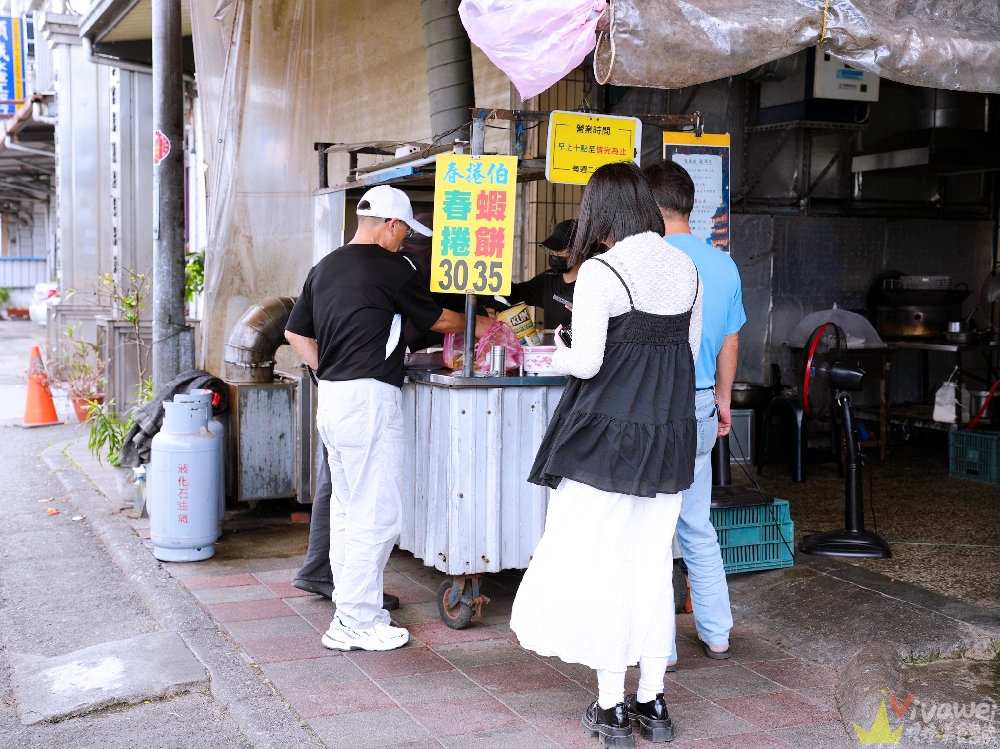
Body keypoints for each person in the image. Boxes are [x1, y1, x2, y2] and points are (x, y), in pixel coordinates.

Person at [511, 162, 703, 747]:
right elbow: (687, 353)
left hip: (609, 442)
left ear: (601, 212)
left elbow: (589, 363)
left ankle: (611, 707)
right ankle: (653, 702)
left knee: (600, 565)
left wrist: (553, 352)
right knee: (650, 565)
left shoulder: (602, 270)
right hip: (669, 437)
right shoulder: (686, 265)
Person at [285, 184, 491, 652]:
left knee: (347, 511)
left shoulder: (326, 266)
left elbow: (295, 332)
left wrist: (329, 369)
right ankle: (355, 621)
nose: (404, 242)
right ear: (392, 225)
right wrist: (480, 321)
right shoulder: (390, 266)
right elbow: (438, 319)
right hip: (368, 401)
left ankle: (354, 610)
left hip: (335, 400)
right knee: (376, 512)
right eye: (404, 233)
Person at [643, 159, 746, 667]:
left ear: (648, 204)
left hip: (656, 407)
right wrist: (723, 401)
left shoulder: (647, 260)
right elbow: (730, 339)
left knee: (651, 528)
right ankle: (718, 632)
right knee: (696, 523)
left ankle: (658, 645)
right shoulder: (722, 263)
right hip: (704, 400)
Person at [504, 219, 578, 330]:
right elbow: (515, 294)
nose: (555, 255)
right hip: (555, 346)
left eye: (560, 250)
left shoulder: (593, 284)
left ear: (579, 250)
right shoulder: (549, 280)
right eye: (552, 251)